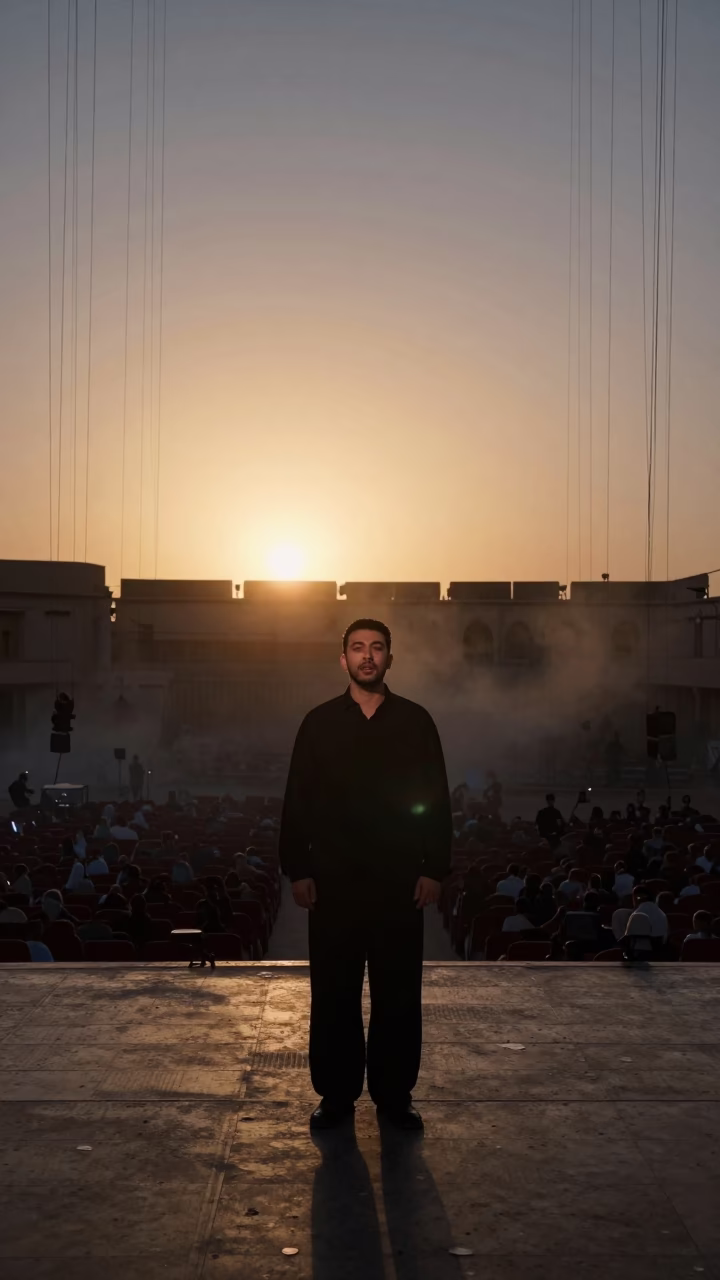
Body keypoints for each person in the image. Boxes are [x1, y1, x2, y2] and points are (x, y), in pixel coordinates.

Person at [280, 617, 451, 1132]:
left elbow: (437, 800)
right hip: (333, 883)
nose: (368, 656)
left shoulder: (417, 722)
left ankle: (395, 1096)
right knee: (334, 992)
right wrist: (299, 869)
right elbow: (297, 801)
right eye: (358, 648)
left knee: (398, 992)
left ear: (390, 659)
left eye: (377, 648)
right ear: (344, 660)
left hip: (399, 882)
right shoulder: (318, 723)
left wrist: (434, 868)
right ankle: (336, 1097)